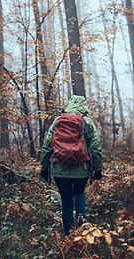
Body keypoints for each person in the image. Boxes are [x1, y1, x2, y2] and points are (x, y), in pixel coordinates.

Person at [40, 95, 102, 236]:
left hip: (59, 170)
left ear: (69, 105)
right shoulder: (87, 122)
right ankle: (82, 232)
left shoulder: (57, 121)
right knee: (79, 193)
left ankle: (68, 237)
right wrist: (98, 169)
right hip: (82, 170)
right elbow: (96, 148)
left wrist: (44, 168)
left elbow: (46, 147)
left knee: (66, 201)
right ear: (83, 106)